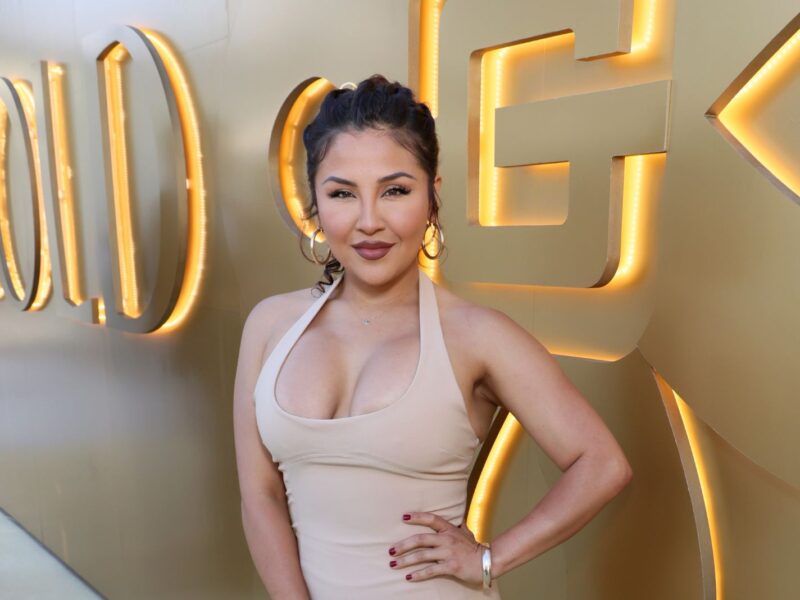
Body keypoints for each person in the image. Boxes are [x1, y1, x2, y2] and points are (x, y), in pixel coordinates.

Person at [233, 74, 633, 599]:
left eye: (395, 190)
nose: (369, 221)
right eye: (343, 194)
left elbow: (602, 463)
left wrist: (490, 560)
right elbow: (259, 494)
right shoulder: (270, 325)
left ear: (431, 196)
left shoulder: (475, 336)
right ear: (316, 202)